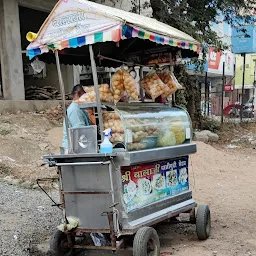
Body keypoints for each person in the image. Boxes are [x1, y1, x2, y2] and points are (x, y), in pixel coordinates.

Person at [62, 84, 92, 150]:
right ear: (78, 94)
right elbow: (80, 131)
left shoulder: (81, 108)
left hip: (78, 146)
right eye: (85, 95)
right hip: (73, 148)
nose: (87, 98)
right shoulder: (75, 110)